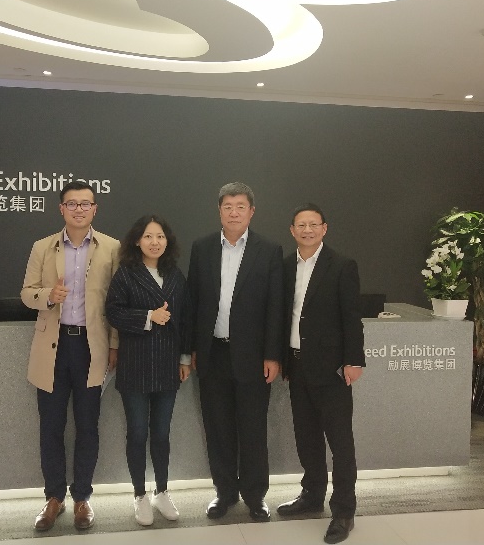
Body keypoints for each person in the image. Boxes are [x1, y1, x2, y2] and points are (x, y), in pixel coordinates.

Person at [21, 181, 120, 532]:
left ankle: (82, 498)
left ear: (95, 209)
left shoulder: (112, 248)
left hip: (91, 348)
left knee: (88, 426)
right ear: (61, 208)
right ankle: (53, 498)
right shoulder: (42, 247)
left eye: (85, 203)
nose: (79, 209)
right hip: (53, 347)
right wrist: (49, 295)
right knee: (51, 426)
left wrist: (115, 345)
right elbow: (26, 293)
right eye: (72, 204)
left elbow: (117, 303)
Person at [186, 182, 283, 522]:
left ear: (251, 211)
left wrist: (272, 355)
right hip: (212, 353)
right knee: (218, 428)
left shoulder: (268, 250)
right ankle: (224, 493)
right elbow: (193, 301)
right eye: (228, 206)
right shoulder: (202, 248)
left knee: (253, 429)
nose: (234, 212)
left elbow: (275, 307)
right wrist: (191, 349)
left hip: (253, 358)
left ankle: (255, 496)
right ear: (219, 211)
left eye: (240, 206)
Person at [276, 203, 366, 544]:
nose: (308, 230)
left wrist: (354, 360)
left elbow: (351, 317)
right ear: (292, 230)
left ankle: (343, 511)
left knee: (340, 442)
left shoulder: (341, 265)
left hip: (332, 369)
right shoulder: (286, 266)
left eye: (314, 224)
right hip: (297, 366)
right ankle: (312, 495)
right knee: (307, 437)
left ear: (324, 229)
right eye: (301, 225)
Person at [105, 215, 192, 526]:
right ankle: (139, 494)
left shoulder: (175, 274)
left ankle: (162, 491)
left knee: (162, 433)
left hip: (168, 364)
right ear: (137, 241)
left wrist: (184, 359)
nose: (155, 242)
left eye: (160, 236)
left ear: (167, 241)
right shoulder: (126, 274)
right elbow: (112, 311)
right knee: (138, 432)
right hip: (135, 366)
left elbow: (186, 318)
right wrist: (147, 317)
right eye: (148, 236)